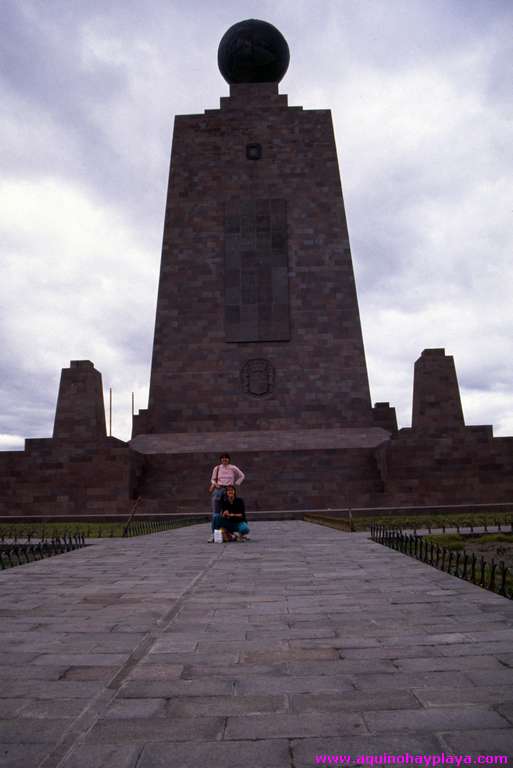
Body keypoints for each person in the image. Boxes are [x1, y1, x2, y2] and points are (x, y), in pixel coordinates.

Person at [208, 453, 245, 542]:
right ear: (221, 459)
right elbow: (212, 479)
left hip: (229, 490)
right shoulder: (217, 468)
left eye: (226, 458)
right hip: (218, 490)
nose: (224, 460)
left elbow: (242, 475)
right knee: (216, 514)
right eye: (223, 458)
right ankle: (214, 534)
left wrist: (235, 484)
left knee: (227, 512)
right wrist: (215, 483)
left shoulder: (233, 468)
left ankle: (229, 533)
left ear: (229, 459)